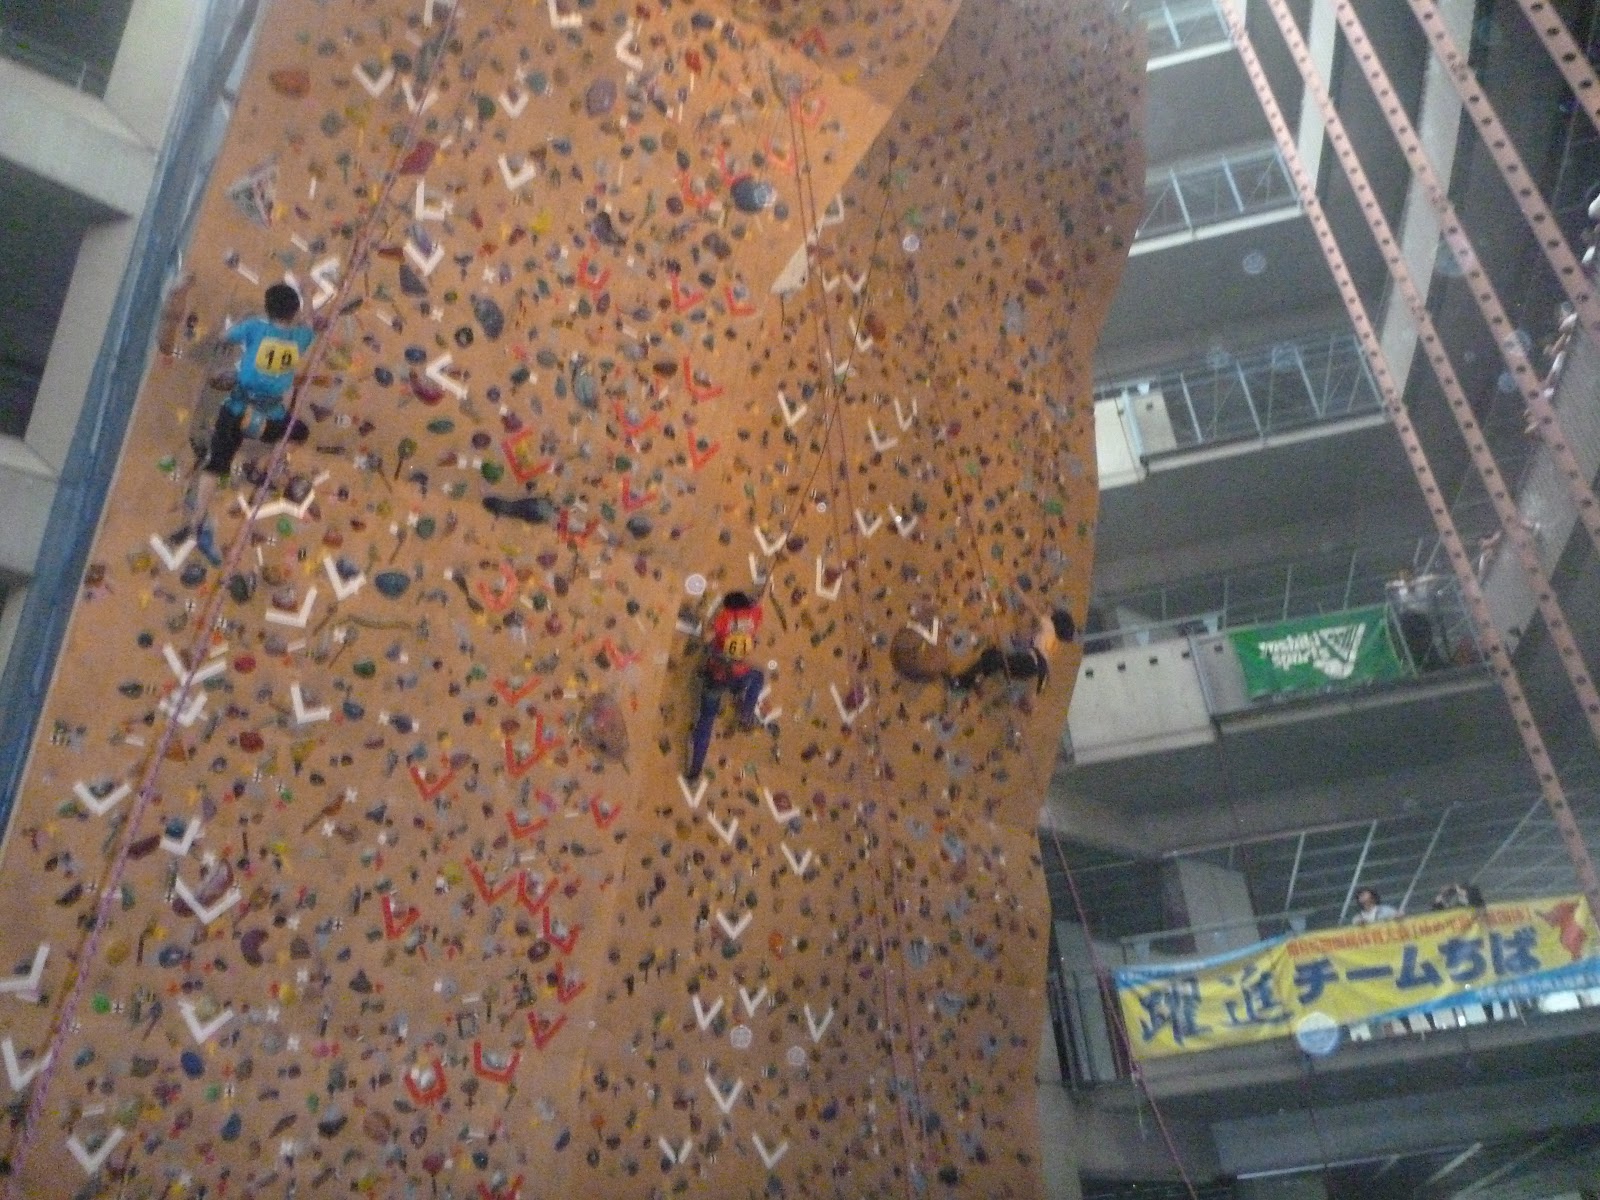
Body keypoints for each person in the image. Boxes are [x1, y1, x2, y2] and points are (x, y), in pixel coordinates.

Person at [175, 283, 315, 564]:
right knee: (299, 431)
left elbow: (226, 337)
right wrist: (309, 294)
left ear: (267, 309)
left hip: (238, 410)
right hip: (270, 418)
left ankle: (196, 521)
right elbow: (309, 322)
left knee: (215, 466)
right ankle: (265, 465)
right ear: (294, 311)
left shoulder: (254, 327)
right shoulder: (301, 337)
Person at [685, 592, 766, 781]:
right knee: (758, 677)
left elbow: (706, 638)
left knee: (706, 719)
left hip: (718, 674)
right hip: (741, 672)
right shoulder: (754, 614)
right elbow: (761, 600)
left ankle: (696, 767)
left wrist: (706, 621)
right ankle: (746, 712)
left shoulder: (724, 617)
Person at [947, 604, 1075, 693]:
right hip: (1027, 666)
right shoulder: (1052, 642)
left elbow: (1025, 641)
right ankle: (967, 681)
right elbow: (1029, 646)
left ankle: (962, 682)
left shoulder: (1047, 630)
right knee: (990, 657)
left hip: (1026, 664)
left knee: (993, 659)